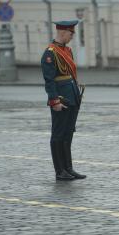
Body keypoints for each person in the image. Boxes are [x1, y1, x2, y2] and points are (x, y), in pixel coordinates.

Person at [41, 20, 86, 181]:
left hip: (72, 96)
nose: (72, 36)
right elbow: (49, 80)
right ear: (62, 33)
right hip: (61, 98)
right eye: (70, 33)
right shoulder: (50, 53)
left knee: (68, 134)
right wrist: (55, 101)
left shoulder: (67, 50)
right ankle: (59, 171)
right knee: (58, 134)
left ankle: (68, 168)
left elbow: (70, 74)